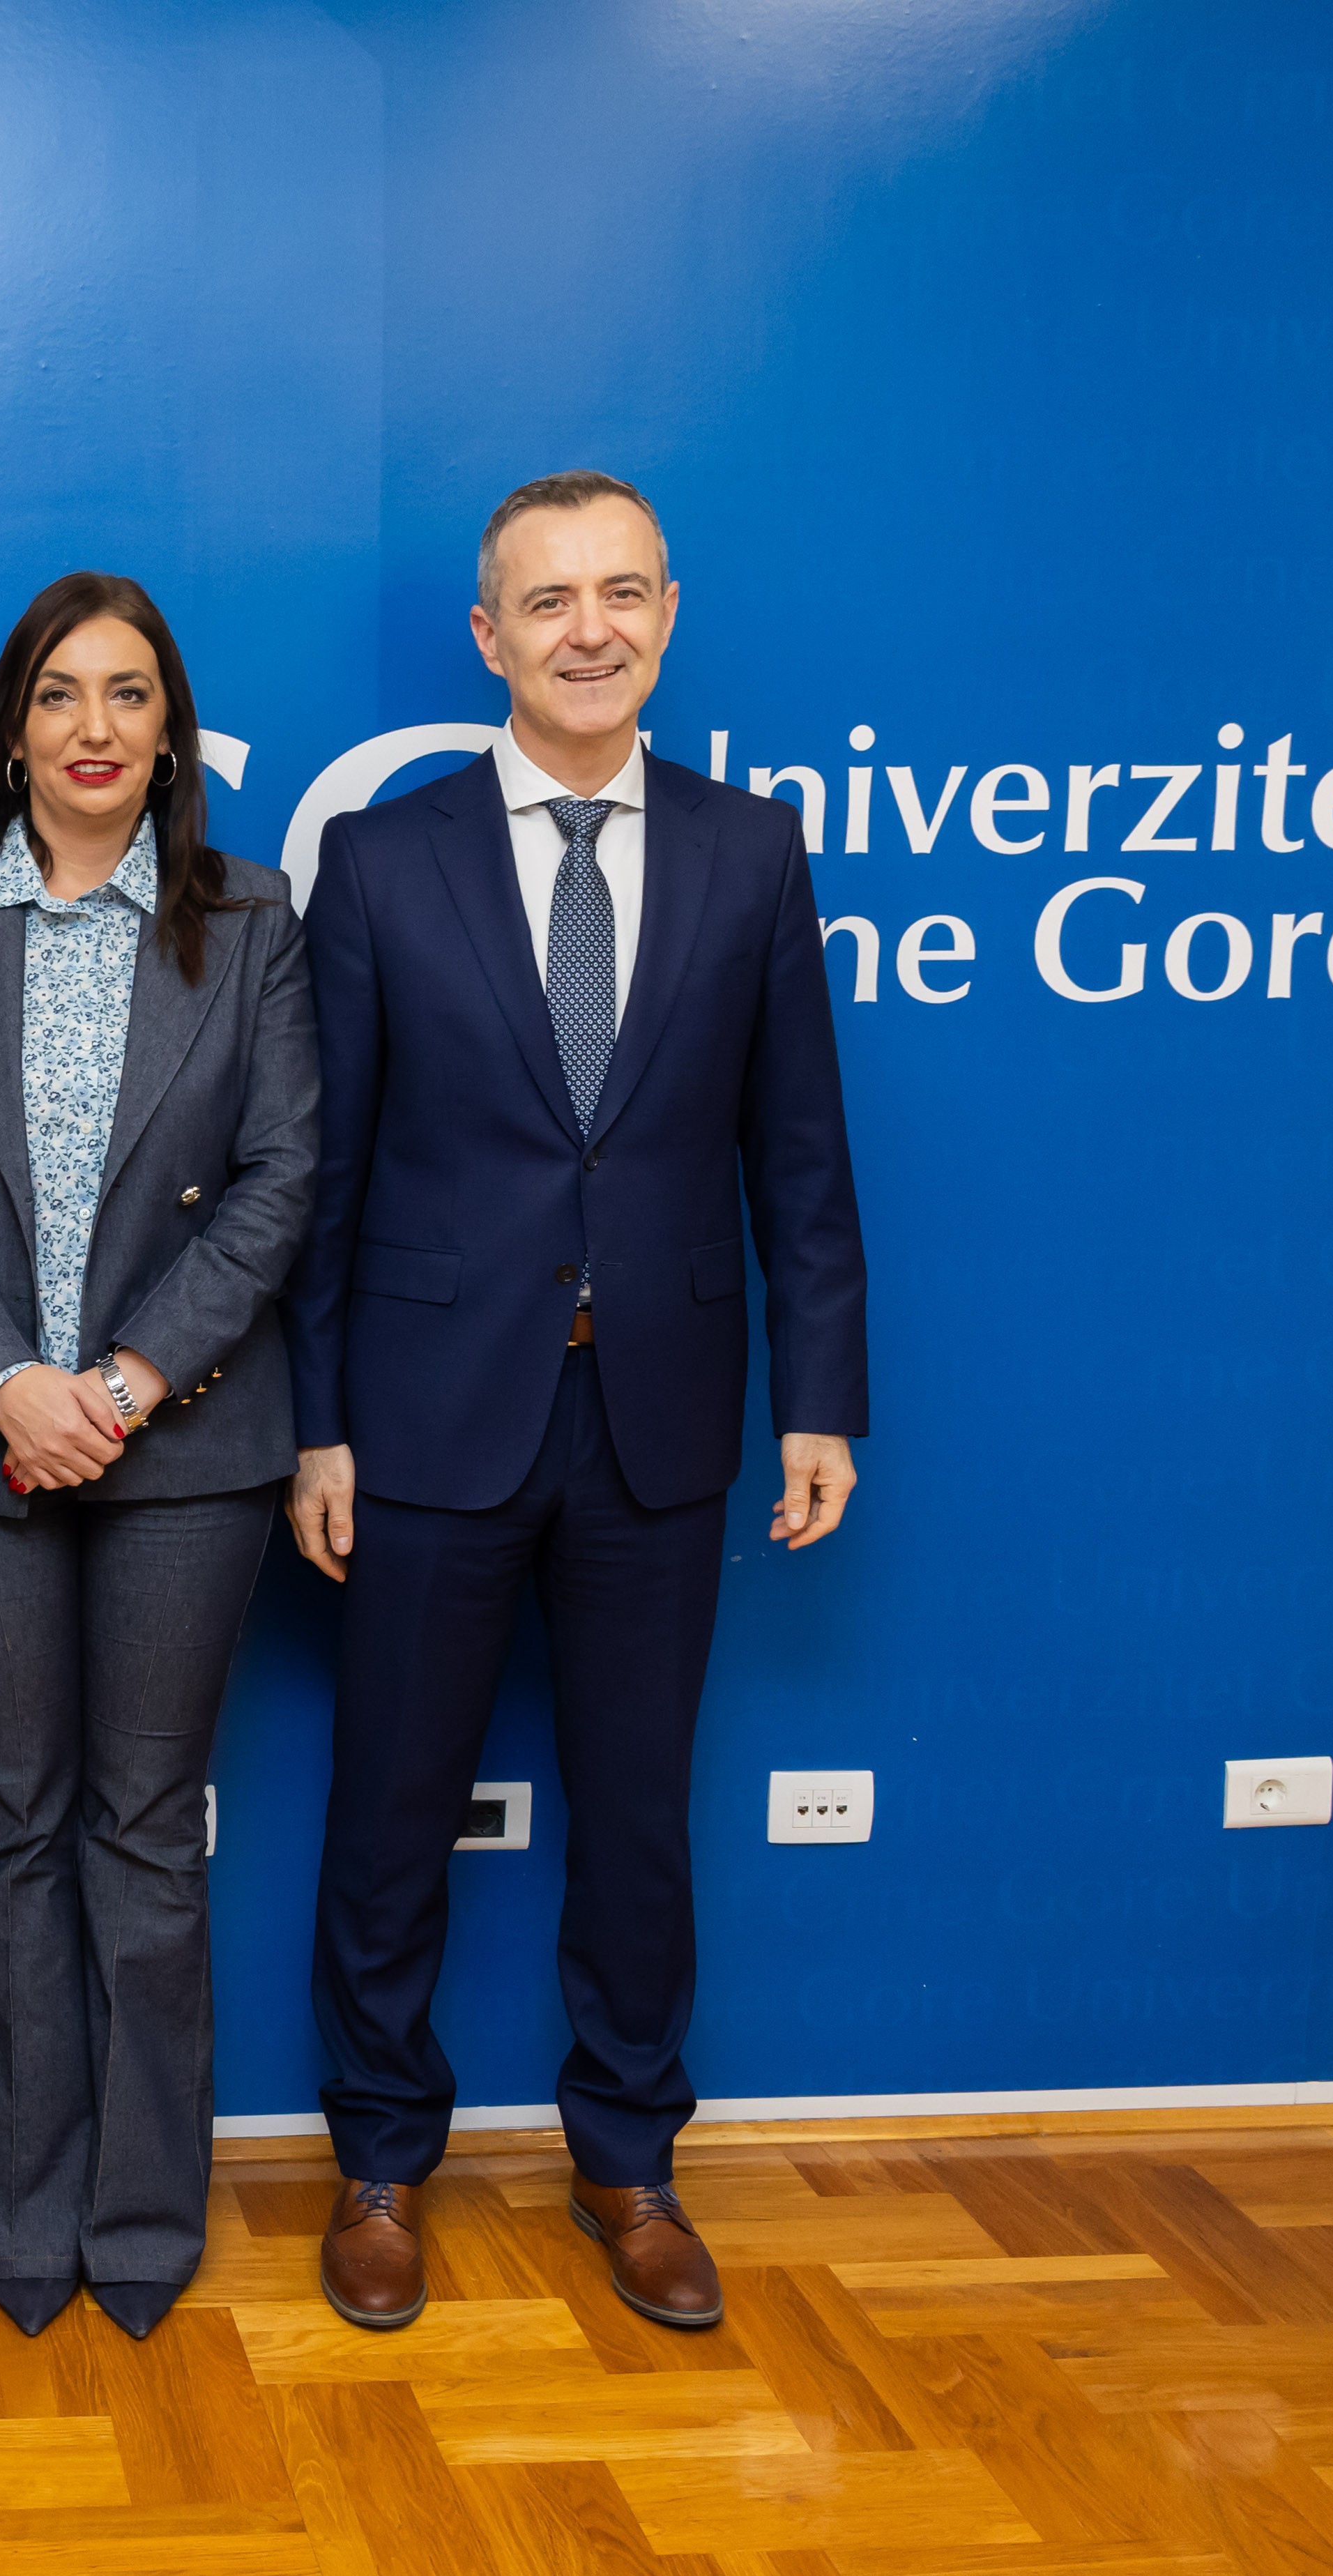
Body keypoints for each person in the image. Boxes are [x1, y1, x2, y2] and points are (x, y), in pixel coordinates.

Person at [285, 471, 867, 2335]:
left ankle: (625, 2159)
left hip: (661, 1420)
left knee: (634, 1818)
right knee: (389, 1812)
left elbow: (798, 1155)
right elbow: (323, 1176)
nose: (586, 629)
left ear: (667, 616)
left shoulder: (749, 852)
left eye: (619, 593)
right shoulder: (381, 861)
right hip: (422, 1416)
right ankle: (380, 2161)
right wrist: (315, 1422)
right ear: (488, 638)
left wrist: (819, 1400)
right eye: (546, 601)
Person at [0, 572, 316, 2340]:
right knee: (6, 1828)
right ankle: (20, 2216)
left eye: (127, 694)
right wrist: (6, 1383)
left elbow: (277, 1178)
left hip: (181, 1444)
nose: (94, 727)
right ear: (12, 731)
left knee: (143, 1833)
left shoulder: (249, 915)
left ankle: (139, 2220)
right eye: (58, 694)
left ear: (169, 732)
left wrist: (116, 1385)